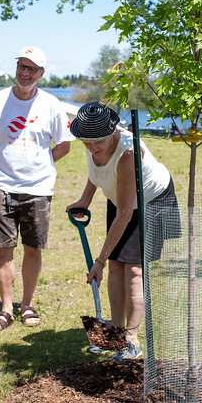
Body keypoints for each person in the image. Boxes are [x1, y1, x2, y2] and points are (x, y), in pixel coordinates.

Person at [66, 102, 180, 361]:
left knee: (133, 270)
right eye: (86, 143)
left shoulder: (129, 153)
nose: (93, 148)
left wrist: (99, 261)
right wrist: (85, 199)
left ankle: (131, 340)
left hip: (149, 201)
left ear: (113, 132)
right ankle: (115, 333)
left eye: (98, 142)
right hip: (121, 199)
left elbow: (126, 214)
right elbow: (98, 171)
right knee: (117, 265)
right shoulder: (92, 140)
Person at [0, 46, 73, 331]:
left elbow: (63, 146)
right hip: (2, 186)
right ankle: (6, 309)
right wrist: (4, 165)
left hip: (39, 188)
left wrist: (39, 165)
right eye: (21, 66)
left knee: (33, 249)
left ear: (41, 73)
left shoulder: (52, 105)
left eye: (32, 69)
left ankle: (27, 304)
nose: (25, 73)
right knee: (2, 250)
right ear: (16, 67)